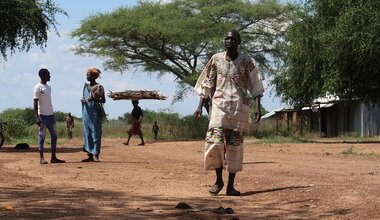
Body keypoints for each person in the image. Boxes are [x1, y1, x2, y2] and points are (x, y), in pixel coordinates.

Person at [194, 29, 264, 196]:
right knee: (214, 140)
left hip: (239, 107)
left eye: (233, 39)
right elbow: (207, 82)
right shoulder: (216, 59)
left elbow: (256, 83)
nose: (230, 41)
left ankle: (231, 186)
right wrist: (199, 105)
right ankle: (218, 180)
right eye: (227, 38)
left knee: (235, 146)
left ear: (239, 42)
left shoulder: (247, 61)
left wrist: (258, 107)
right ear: (223, 41)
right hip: (218, 105)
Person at [33, 68, 66, 164]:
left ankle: (53, 157)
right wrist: (37, 116)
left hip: (51, 115)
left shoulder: (49, 87)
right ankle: (41, 158)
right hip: (42, 116)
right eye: (48, 74)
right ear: (43, 75)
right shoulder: (37, 87)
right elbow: (35, 102)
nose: (50, 76)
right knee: (42, 137)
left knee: (54, 136)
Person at [81, 67, 106, 162]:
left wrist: (93, 99)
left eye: (89, 74)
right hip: (86, 113)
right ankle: (89, 155)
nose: (87, 76)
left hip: (95, 113)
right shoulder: (85, 87)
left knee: (95, 133)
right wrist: (84, 101)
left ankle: (96, 154)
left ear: (94, 76)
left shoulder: (99, 87)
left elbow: (103, 100)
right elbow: (85, 97)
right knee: (87, 133)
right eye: (87, 74)